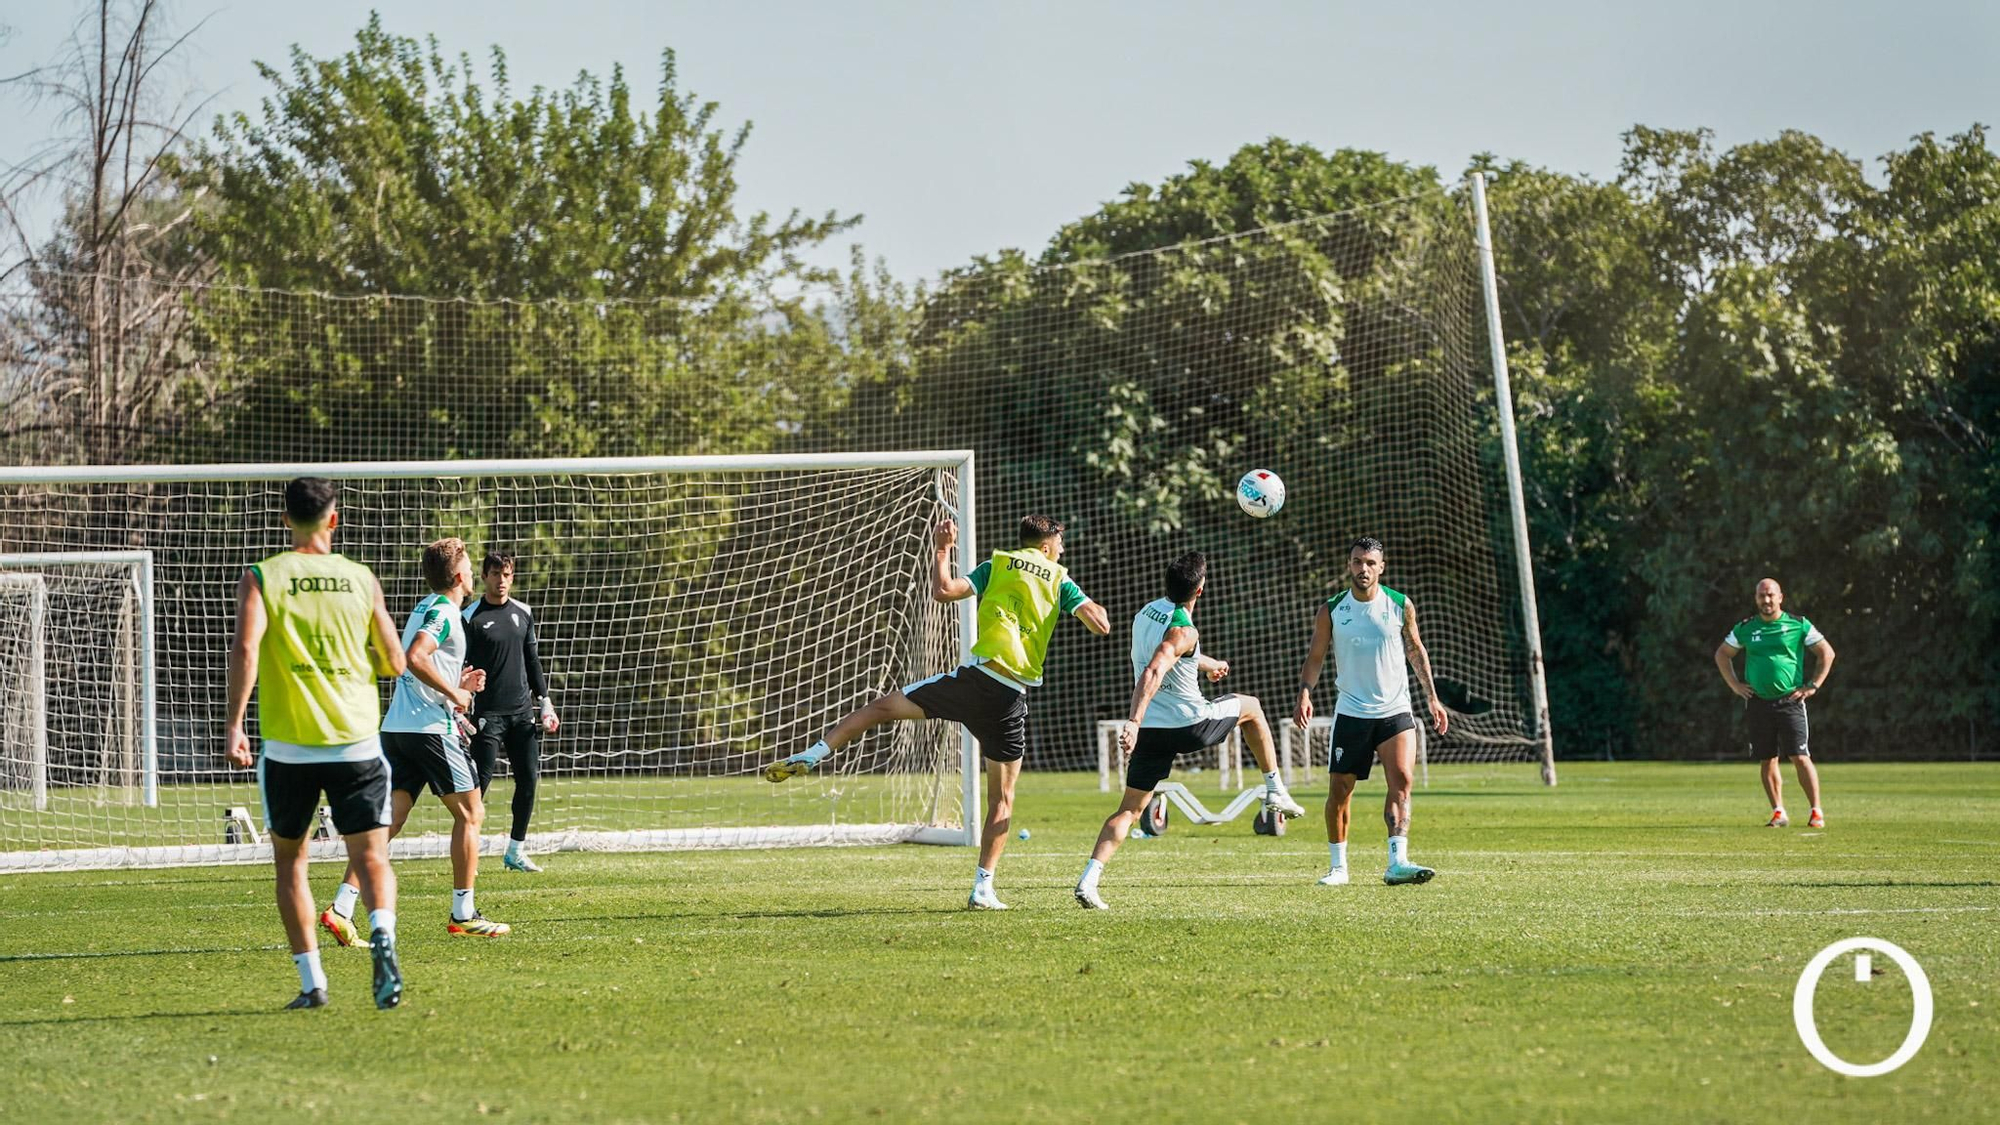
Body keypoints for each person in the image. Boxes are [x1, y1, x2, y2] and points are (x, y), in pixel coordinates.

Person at [765, 515, 1110, 909]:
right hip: (1008, 699)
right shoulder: (1057, 576)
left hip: (971, 684)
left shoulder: (995, 564)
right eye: (1060, 545)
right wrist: (1078, 596)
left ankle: (814, 753)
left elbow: (944, 590)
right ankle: (983, 887)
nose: (1063, 550)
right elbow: (1101, 625)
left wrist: (942, 547)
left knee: (880, 708)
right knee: (1002, 799)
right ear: (1047, 546)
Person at [223, 476, 408, 1010]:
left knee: (292, 864)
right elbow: (394, 661)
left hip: (290, 747)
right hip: (356, 741)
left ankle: (313, 984)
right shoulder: (360, 578)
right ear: (333, 519)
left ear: (286, 520)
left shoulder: (263, 576)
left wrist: (235, 723)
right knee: (372, 858)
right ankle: (384, 940)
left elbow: (245, 648)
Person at [1075, 551, 1305, 910]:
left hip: (1154, 730)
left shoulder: (1145, 613)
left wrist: (1210, 664)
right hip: (1189, 724)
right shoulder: (1184, 629)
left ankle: (1089, 880)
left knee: (1129, 810)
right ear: (1201, 589)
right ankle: (1276, 791)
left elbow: (1178, 655)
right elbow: (1155, 668)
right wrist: (1132, 721)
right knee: (1253, 707)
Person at [321, 537, 509, 942]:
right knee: (471, 814)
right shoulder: (444, 611)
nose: (474, 574)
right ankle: (463, 912)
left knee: (388, 820)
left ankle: (342, 907)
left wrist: (457, 684)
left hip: (399, 728)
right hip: (429, 731)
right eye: (472, 568)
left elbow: (417, 669)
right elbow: (416, 657)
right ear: (460, 575)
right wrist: (457, 695)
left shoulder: (425, 606)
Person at [1293, 537, 1450, 887]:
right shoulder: (1332, 609)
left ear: (1382, 566)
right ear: (1349, 565)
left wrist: (1432, 697)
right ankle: (1338, 868)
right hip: (1352, 713)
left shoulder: (1399, 605)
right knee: (1340, 791)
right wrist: (1305, 693)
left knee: (1403, 782)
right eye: (1356, 562)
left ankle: (1398, 861)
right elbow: (1315, 658)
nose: (1362, 569)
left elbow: (1416, 650)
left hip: (1395, 711)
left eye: (1369, 563)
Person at [462, 553, 558, 872]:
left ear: (512, 577)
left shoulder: (523, 613)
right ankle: (468, 853)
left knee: (529, 779)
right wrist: (460, 702)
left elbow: (532, 661)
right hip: (487, 714)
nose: (500, 580)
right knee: (479, 786)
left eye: (506, 574)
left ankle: (515, 850)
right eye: (494, 574)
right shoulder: (470, 616)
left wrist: (544, 701)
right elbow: (460, 665)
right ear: (484, 577)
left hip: (522, 714)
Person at [1714, 578, 1835, 828]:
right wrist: (1735, 685)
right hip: (1757, 702)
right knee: (1767, 758)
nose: (1766, 600)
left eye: (1770, 595)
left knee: (1800, 756)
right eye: (1761, 596)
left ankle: (1816, 811)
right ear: (1756, 598)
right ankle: (1779, 811)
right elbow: (1722, 654)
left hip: (1790, 701)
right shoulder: (1746, 628)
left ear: (1781, 597)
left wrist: (1813, 685)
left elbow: (1827, 652)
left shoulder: (1798, 624)